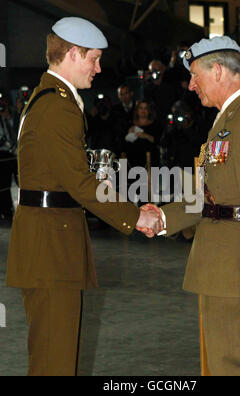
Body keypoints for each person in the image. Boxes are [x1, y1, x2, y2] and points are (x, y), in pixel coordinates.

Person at [5, 16, 163, 376]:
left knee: (53, 356)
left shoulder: (51, 99)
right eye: (93, 58)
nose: (98, 67)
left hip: (48, 244)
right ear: (72, 54)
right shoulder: (57, 105)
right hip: (50, 250)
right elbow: (78, 183)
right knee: (54, 362)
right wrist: (135, 216)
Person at [141, 36, 240, 376]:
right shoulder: (227, 121)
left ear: (218, 71)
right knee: (238, 364)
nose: (191, 85)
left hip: (236, 271)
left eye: (196, 75)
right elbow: (206, 197)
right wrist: (161, 217)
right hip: (222, 267)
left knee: (229, 368)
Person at [125, 99, 162, 168]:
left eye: (146, 108)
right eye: (141, 108)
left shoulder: (156, 125)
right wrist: (129, 133)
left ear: (149, 110)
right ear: (137, 110)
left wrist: (146, 136)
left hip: (151, 162)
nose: (143, 111)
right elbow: (123, 143)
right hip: (132, 163)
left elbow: (159, 141)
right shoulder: (130, 124)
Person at [0, 96, 18, 221]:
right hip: (3, 154)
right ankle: (5, 210)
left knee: (16, 182)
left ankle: (8, 209)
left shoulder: (10, 116)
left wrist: (8, 116)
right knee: (3, 184)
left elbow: (14, 132)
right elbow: (2, 138)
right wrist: (11, 148)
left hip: (12, 155)